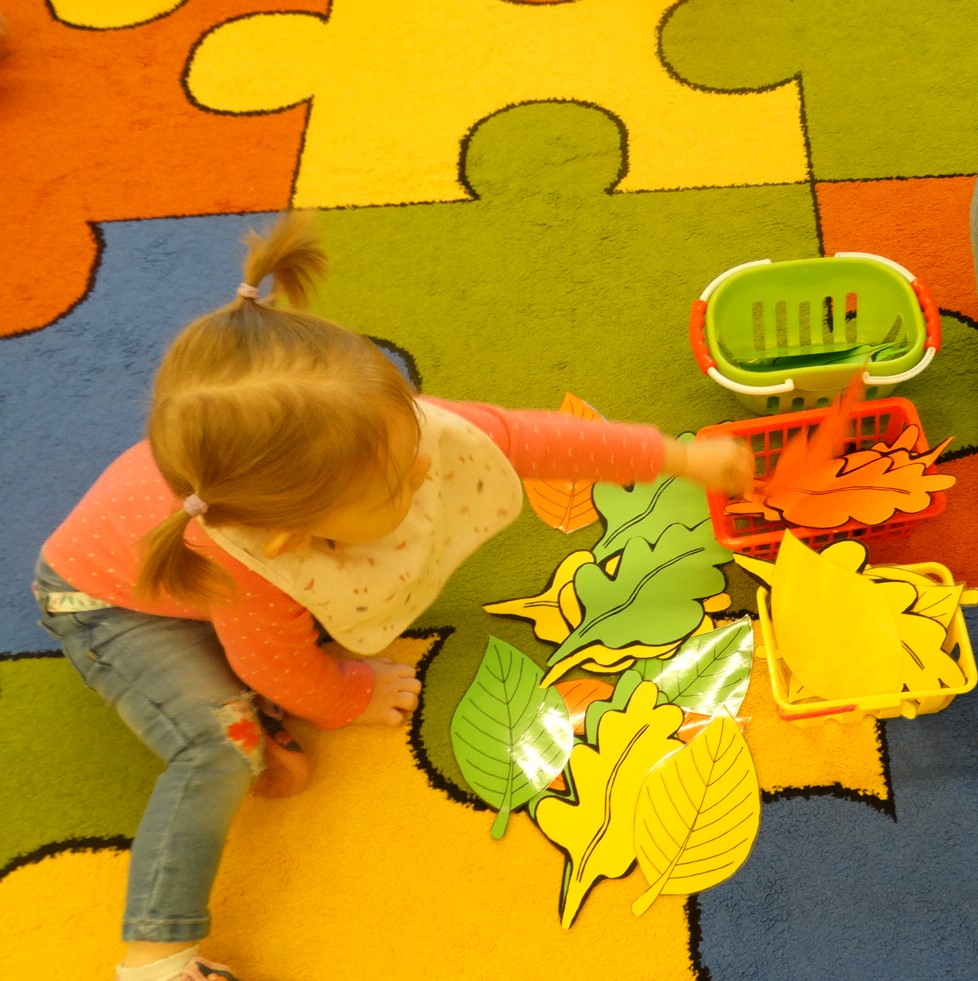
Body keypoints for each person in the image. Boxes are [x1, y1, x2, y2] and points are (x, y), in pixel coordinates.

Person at [33, 213, 753, 981]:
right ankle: (156, 956)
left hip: (226, 577)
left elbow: (530, 439)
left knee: (264, 676)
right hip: (106, 609)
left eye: (413, 433)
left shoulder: (378, 433)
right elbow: (278, 663)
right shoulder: (257, 574)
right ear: (294, 539)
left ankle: (248, 714)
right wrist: (348, 694)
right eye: (396, 483)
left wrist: (676, 457)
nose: (426, 467)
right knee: (221, 747)